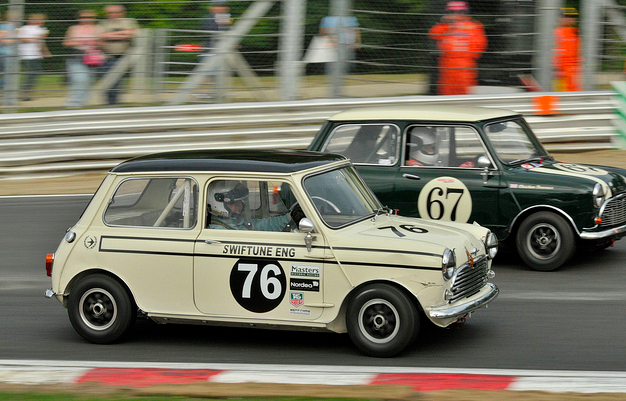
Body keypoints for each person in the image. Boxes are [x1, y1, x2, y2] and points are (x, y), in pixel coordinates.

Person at [428, 1, 487, 95]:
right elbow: (433, 34)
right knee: (446, 92)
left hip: (465, 64)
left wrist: (466, 56)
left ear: (464, 12)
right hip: (447, 63)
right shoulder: (446, 25)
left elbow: (479, 46)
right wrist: (444, 22)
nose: (455, 15)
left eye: (458, 12)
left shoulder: (474, 26)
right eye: (452, 12)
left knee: (464, 92)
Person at [207, 181, 305, 231]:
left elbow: (264, 225)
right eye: (233, 203)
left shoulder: (238, 223)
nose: (239, 205)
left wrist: (290, 217)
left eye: (240, 201)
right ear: (217, 204)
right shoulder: (218, 230)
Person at [98, 4, 138, 105]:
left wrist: (109, 35)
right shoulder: (103, 23)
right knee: (107, 82)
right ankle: (110, 104)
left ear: (122, 13)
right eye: (111, 13)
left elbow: (132, 33)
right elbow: (101, 36)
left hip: (124, 57)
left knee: (117, 82)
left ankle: (114, 104)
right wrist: (122, 34)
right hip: (107, 57)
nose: (114, 14)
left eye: (117, 12)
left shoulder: (129, 21)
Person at [63, 9, 102, 108]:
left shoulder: (98, 28)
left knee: (88, 82)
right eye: (83, 17)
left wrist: (96, 42)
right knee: (80, 79)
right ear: (79, 18)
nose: (86, 19)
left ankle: (82, 104)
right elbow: (66, 43)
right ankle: (74, 104)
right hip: (77, 56)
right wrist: (80, 42)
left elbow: (102, 43)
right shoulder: (73, 28)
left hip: (92, 58)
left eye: (89, 17)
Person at [197, 0, 232, 99]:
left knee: (219, 73)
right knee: (206, 74)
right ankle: (198, 92)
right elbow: (208, 31)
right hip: (209, 50)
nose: (221, 8)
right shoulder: (207, 18)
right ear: (212, 8)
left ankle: (218, 92)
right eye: (218, 6)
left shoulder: (225, 17)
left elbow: (227, 30)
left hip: (221, 50)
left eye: (222, 6)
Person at [17, 13, 51, 101]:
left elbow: (42, 41)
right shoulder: (24, 28)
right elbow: (22, 39)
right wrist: (35, 38)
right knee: (31, 73)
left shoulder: (42, 29)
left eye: (42, 20)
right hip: (27, 54)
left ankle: (27, 92)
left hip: (37, 54)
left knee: (36, 73)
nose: (41, 22)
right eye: (38, 19)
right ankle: (24, 92)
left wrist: (45, 51)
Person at [553, 8, 581, 91]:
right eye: (567, 16)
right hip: (560, 72)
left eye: (573, 16)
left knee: (574, 95)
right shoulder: (555, 32)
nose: (571, 19)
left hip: (574, 72)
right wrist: (555, 69)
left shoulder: (576, 32)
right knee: (560, 95)